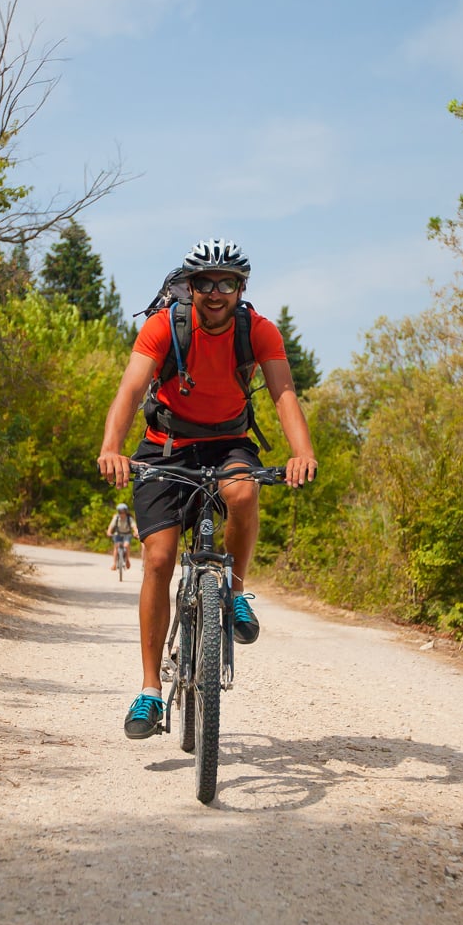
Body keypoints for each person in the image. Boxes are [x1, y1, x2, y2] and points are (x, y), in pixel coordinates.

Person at [97, 239, 317, 739]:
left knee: (242, 494)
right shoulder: (164, 327)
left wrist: (302, 453)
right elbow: (130, 390)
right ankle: (151, 692)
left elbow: (283, 394)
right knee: (158, 558)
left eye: (228, 283)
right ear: (190, 286)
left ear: (242, 287)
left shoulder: (257, 330)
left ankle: (235, 592)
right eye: (205, 283)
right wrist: (113, 447)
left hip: (229, 443)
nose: (217, 293)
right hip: (166, 445)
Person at [105, 502, 137, 570]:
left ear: (126, 511)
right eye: (120, 512)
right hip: (118, 534)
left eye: (123, 511)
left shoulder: (129, 518)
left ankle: (127, 559)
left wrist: (136, 532)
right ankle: (114, 563)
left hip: (127, 534)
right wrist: (109, 532)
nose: (122, 513)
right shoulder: (116, 517)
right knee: (116, 546)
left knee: (126, 545)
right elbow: (111, 526)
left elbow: (134, 527)